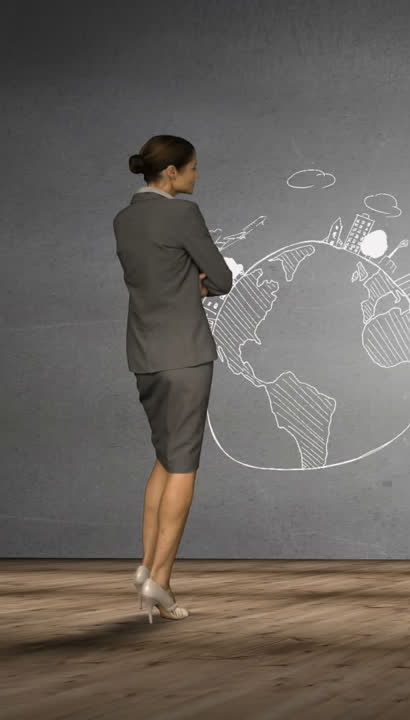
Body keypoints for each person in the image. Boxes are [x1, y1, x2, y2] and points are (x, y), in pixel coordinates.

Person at [113, 135, 234, 623]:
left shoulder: (124, 219)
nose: (196, 176)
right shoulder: (183, 214)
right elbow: (221, 278)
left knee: (164, 458)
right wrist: (195, 285)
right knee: (184, 464)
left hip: (144, 352)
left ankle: (149, 570)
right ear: (170, 174)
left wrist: (183, 282)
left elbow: (154, 278)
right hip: (184, 353)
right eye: (193, 168)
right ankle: (159, 580)